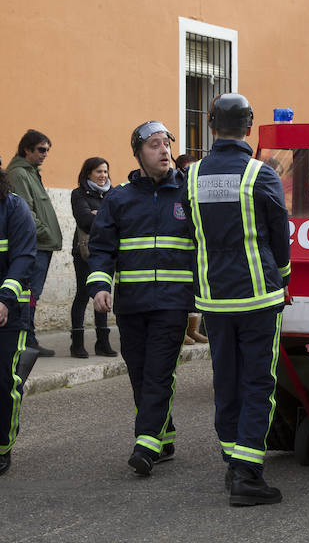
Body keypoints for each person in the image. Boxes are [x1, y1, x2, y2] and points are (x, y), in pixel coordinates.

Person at [183, 93, 291, 506]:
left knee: (225, 380)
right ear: (249, 126)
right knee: (259, 382)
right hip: (258, 295)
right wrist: (282, 278)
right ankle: (247, 474)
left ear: (211, 126)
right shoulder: (259, 175)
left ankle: (233, 461)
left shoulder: (191, 177)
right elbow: (278, 235)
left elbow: (191, 234)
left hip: (213, 298)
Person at [87, 121, 194, 475]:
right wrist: (100, 286)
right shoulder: (119, 198)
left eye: (166, 144)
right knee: (139, 371)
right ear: (138, 153)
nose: (164, 151)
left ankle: (146, 443)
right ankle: (165, 435)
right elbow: (101, 248)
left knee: (159, 371)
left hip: (173, 302)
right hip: (132, 303)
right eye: (154, 145)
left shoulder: (187, 193)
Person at [7, 130, 62, 357]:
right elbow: (26, 213)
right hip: (35, 244)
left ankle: (29, 337)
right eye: (41, 149)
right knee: (28, 294)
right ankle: (26, 339)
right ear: (26, 149)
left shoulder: (31, 172)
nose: (45, 154)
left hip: (42, 244)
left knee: (31, 294)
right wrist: (46, 233)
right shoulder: (19, 173)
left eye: (48, 150)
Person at [0, 157, 37, 477]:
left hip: (7, 314)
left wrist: (4, 299)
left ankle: (2, 446)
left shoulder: (14, 208)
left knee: (3, 382)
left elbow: (24, 258)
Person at [70, 157, 116, 358]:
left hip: (106, 252)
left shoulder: (112, 194)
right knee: (82, 295)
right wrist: (102, 216)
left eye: (105, 171)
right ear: (88, 173)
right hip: (84, 252)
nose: (103, 175)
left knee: (102, 292)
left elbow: (118, 219)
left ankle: (102, 342)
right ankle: (77, 344)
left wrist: (98, 214)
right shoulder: (78, 194)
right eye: (98, 171)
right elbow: (85, 220)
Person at [173, 154, 207, 346]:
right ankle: (181, 332)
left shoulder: (199, 188)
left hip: (195, 248)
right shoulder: (175, 190)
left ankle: (193, 330)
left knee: (195, 291)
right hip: (179, 251)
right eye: (187, 170)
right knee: (182, 294)